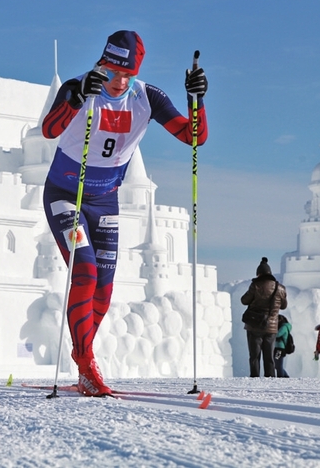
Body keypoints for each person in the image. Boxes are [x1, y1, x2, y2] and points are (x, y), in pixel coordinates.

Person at [41, 30, 209, 396]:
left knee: (104, 289)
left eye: (126, 74)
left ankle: (82, 352)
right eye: (113, 71)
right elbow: (49, 130)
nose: (119, 81)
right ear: (102, 61)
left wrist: (197, 100)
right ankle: (86, 363)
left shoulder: (147, 97)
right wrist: (73, 100)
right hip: (66, 194)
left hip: (105, 200)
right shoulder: (79, 85)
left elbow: (193, 137)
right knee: (83, 271)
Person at [241, 257, 287, 378]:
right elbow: (284, 306)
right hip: (271, 327)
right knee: (269, 355)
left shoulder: (255, 285)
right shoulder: (280, 288)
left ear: (259, 274)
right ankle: (270, 377)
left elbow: (244, 301)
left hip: (254, 325)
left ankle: (255, 377)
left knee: (254, 355)